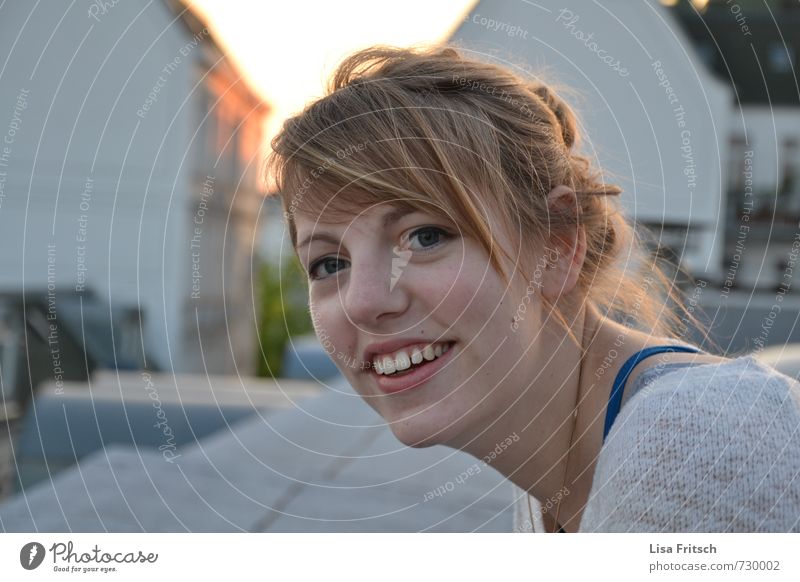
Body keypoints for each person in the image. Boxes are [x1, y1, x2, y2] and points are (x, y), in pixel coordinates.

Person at [265, 44, 800, 532]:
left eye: (424, 236)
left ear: (558, 245)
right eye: (328, 264)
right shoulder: (555, 485)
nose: (363, 302)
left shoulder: (695, 442)